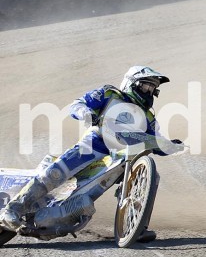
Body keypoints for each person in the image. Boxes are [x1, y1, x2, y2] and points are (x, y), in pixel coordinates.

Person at [0, 66, 184, 233]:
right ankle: (13, 209)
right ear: (131, 83)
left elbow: (157, 140)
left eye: (152, 89)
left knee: (152, 177)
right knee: (56, 173)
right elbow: (77, 105)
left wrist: (172, 146)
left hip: (123, 156)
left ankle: (138, 227)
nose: (148, 91)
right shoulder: (109, 94)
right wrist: (86, 114)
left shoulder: (148, 116)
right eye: (145, 86)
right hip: (94, 143)